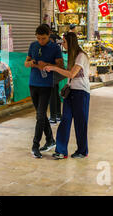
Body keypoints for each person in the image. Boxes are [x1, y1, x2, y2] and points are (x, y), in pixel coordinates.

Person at [45, 32, 90, 159]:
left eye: (64, 42)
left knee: (80, 123)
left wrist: (54, 69)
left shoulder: (81, 56)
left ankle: (82, 150)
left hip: (81, 93)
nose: (62, 44)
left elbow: (71, 74)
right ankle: (61, 150)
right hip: (70, 93)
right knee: (65, 121)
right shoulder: (72, 56)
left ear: (70, 43)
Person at [25, 24, 64, 158]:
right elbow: (26, 62)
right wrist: (34, 64)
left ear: (49, 35)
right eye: (38, 38)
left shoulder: (54, 48)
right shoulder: (33, 45)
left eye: (43, 38)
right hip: (33, 83)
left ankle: (35, 145)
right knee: (40, 115)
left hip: (47, 85)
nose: (41, 41)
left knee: (40, 116)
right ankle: (50, 140)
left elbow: (60, 65)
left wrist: (47, 65)